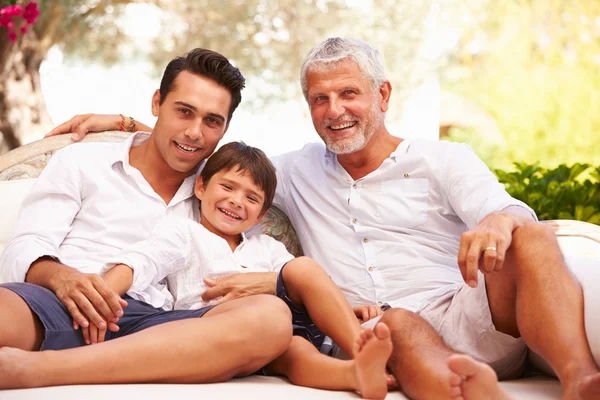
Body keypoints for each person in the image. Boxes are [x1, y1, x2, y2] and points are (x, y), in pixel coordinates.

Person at [36, 38, 600, 400]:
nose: (334, 112)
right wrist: (129, 122)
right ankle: (465, 392)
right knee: (398, 325)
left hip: (471, 306)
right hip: (386, 328)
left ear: (381, 94)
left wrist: (499, 223)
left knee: (535, 234)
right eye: (319, 99)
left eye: (348, 93)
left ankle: (580, 380)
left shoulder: (441, 158)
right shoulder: (296, 171)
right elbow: (208, 159)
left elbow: (504, 211)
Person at [0, 48, 295, 388]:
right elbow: (27, 245)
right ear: (157, 103)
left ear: (225, 128)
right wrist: (61, 277)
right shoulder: (81, 162)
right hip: (66, 303)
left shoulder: (219, 189)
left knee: (270, 320)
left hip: (165, 329)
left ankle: (42, 369)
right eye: (183, 111)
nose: (195, 132)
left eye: (212, 121)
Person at [101, 141, 393, 399]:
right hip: (216, 333)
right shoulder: (184, 233)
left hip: (276, 337)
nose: (236, 201)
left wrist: (344, 307)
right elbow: (141, 261)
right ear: (200, 187)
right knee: (299, 280)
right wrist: (102, 299)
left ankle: (357, 370)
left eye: (251, 198)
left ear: (261, 214)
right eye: (227, 187)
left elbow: (306, 286)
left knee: (295, 348)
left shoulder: (266, 246)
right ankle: (361, 352)